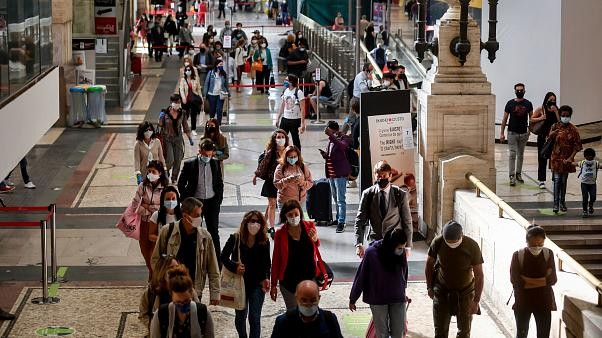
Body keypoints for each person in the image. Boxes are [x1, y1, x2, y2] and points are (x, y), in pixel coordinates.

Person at [151, 197, 221, 305]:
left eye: (200, 215)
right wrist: (162, 281)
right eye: (196, 215)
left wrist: (215, 293)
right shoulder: (167, 231)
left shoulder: (205, 237)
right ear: (185, 216)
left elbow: (213, 266)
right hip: (170, 289)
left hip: (194, 289)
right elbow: (155, 259)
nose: (200, 218)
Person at [425, 220, 484, 338]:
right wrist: (429, 287)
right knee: (440, 331)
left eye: (454, 242)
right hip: (442, 291)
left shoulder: (472, 245)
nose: (451, 244)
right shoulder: (438, 242)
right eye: (448, 242)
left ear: (461, 235)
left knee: (464, 332)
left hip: (465, 293)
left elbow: (479, 274)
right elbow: (429, 265)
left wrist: (476, 300)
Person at [349, 227, 409, 338]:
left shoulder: (401, 253)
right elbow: (361, 276)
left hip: (397, 297)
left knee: (399, 332)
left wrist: (403, 291)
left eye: (403, 247)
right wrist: (353, 298)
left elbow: (404, 272)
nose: (402, 250)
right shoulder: (371, 253)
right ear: (391, 245)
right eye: (400, 248)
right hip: (378, 299)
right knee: (382, 333)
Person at [220, 211, 271, 338]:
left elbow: (267, 263)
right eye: (252, 221)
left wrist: (266, 278)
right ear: (245, 223)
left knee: (254, 317)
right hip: (239, 283)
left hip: (257, 284)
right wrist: (234, 266)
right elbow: (223, 257)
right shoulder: (235, 238)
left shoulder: (264, 241)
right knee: (240, 317)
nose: (255, 224)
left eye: (258, 221)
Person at [354, 161, 413, 258]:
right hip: (375, 242)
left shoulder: (400, 194)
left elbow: (407, 221)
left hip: (395, 243)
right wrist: (358, 244)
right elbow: (360, 220)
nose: (381, 178)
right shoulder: (368, 194)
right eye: (379, 176)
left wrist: (408, 247)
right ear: (374, 176)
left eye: (384, 176)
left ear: (390, 176)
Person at [178, 139, 224, 257]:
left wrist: (218, 200)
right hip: (195, 203)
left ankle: (216, 259)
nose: (207, 157)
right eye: (205, 155)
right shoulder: (190, 165)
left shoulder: (215, 164)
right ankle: (194, 256)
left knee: (213, 231)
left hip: (212, 202)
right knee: (194, 230)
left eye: (209, 155)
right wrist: (186, 201)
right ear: (199, 151)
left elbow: (219, 183)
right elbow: (181, 183)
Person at [270, 200, 321, 310]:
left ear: (300, 214)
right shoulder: (280, 234)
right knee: (293, 315)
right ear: (285, 216)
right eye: (290, 215)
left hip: (309, 278)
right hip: (289, 282)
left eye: (296, 214)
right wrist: (273, 284)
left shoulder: (309, 226)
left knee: (311, 312)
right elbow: (276, 259)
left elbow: (316, 245)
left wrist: (315, 239)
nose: (293, 217)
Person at [510, 225, 557, 338]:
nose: (536, 247)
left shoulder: (548, 254)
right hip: (523, 302)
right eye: (533, 245)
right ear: (527, 242)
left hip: (544, 302)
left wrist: (527, 281)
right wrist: (544, 280)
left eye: (540, 245)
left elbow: (553, 280)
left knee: (543, 334)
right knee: (521, 334)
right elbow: (516, 281)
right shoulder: (518, 255)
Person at [149, 265, 215, 338]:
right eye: (178, 302)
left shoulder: (203, 313)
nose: (182, 305)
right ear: (171, 296)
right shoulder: (161, 314)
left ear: (191, 294)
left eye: (186, 301)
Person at [130, 160, 168, 278]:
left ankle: (155, 277)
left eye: (153, 171)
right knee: (145, 252)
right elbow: (135, 206)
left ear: (160, 173)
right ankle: (152, 274)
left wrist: (148, 206)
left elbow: (166, 207)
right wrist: (147, 209)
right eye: (149, 171)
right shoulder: (143, 186)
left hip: (159, 224)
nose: (150, 173)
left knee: (154, 253)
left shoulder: (166, 188)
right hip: (145, 223)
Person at [271, 280, 343, 338]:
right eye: (304, 300)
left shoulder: (329, 319)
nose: (308, 304)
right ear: (296, 298)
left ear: (319, 298)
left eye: (313, 300)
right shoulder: (284, 321)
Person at [253, 130, 290, 234]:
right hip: (272, 182)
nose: (281, 139)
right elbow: (262, 166)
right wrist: (256, 175)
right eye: (278, 137)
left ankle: (263, 223)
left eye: (283, 137)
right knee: (272, 204)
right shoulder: (270, 153)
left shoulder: (289, 151)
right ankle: (272, 228)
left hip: (285, 182)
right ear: (274, 139)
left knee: (271, 205)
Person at [548, 105, 582, 213]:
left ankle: (562, 202)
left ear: (570, 116)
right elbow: (548, 139)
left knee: (563, 181)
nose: (565, 117)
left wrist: (571, 158)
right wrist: (551, 134)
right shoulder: (554, 126)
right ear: (560, 115)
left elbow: (577, 146)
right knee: (557, 180)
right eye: (563, 115)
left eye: (567, 116)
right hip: (556, 158)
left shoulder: (573, 129)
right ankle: (555, 204)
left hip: (567, 159)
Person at [318, 121, 351, 233]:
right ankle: (338, 219)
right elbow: (333, 155)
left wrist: (332, 136)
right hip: (331, 174)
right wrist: (325, 156)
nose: (328, 132)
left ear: (334, 130)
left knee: (341, 199)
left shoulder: (344, 138)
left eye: (329, 130)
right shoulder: (331, 141)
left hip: (340, 174)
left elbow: (342, 147)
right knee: (335, 198)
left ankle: (342, 222)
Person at [500, 83, 533, 186]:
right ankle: (511, 175)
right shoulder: (510, 103)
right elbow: (505, 119)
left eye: (521, 90)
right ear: (515, 91)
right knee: (512, 154)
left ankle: (518, 173)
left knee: (521, 155)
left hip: (523, 133)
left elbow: (532, 119)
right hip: (512, 133)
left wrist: (530, 131)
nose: (519, 92)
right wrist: (501, 133)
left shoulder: (528, 104)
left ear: (524, 91)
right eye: (518, 90)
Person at [158, 94, 194, 183]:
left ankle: (174, 178)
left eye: (178, 102)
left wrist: (190, 138)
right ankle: (165, 174)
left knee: (178, 160)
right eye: (175, 102)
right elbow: (160, 125)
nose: (177, 104)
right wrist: (160, 118)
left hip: (178, 139)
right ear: (171, 102)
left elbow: (185, 127)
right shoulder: (165, 112)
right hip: (167, 138)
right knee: (170, 160)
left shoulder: (182, 113)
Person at [530, 92, 560, 189]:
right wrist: (541, 117)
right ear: (546, 99)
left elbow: (559, 123)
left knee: (554, 158)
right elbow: (531, 119)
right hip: (543, 137)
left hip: (553, 138)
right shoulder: (541, 109)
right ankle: (541, 180)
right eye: (550, 100)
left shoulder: (556, 109)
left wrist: (556, 112)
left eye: (554, 100)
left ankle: (554, 178)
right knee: (542, 158)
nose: (552, 102)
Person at [273, 145, 313, 209]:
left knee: (300, 219)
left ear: (298, 156)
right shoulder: (280, 167)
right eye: (290, 157)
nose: (292, 159)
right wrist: (288, 180)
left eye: (294, 157)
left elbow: (310, 183)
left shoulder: (302, 167)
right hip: (284, 202)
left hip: (300, 202)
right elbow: (277, 184)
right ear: (285, 157)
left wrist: (302, 182)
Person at [276, 74, 306, 150]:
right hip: (285, 119)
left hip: (295, 120)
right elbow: (282, 105)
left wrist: (302, 123)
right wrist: (278, 118)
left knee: (295, 139)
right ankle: (281, 156)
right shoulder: (285, 91)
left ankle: (298, 157)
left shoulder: (298, 92)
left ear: (291, 82)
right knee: (280, 139)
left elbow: (303, 109)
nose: (284, 81)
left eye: (286, 80)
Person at [572, 148, 601, 217]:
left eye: (591, 156)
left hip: (592, 184)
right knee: (585, 197)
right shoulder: (582, 162)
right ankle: (585, 211)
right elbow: (575, 164)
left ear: (593, 156)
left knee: (593, 197)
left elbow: (600, 166)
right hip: (584, 184)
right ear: (585, 156)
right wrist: (568, 162)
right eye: (588, 156)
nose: (589, 157)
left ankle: (590, 205)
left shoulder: (596, 163)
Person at [203, 59, 230, 125]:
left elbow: (226, 85)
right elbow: (206, 83)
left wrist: (228, 94)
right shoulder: (211, 73)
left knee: (219, 110)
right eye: (220, 64)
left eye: (222, 65)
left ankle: (218, 125)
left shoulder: (223, 74)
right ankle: (212, 124)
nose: (221, 66)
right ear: (216, 65)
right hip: (211, 94)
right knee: (212, 111)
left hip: (220, 94)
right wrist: (204, 94)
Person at [180, 64, 203, 136]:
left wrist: (201, 98)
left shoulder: (195, 79)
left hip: (194, 100)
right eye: (186, 70)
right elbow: (181, 90)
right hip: (186, 100)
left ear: (192, 71)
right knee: (185, 114)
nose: (187, 71)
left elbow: (199, 89)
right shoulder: (183, 80)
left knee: (194, 114)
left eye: (189, 70)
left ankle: (193, 129)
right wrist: (183, 97)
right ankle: (184, 127)